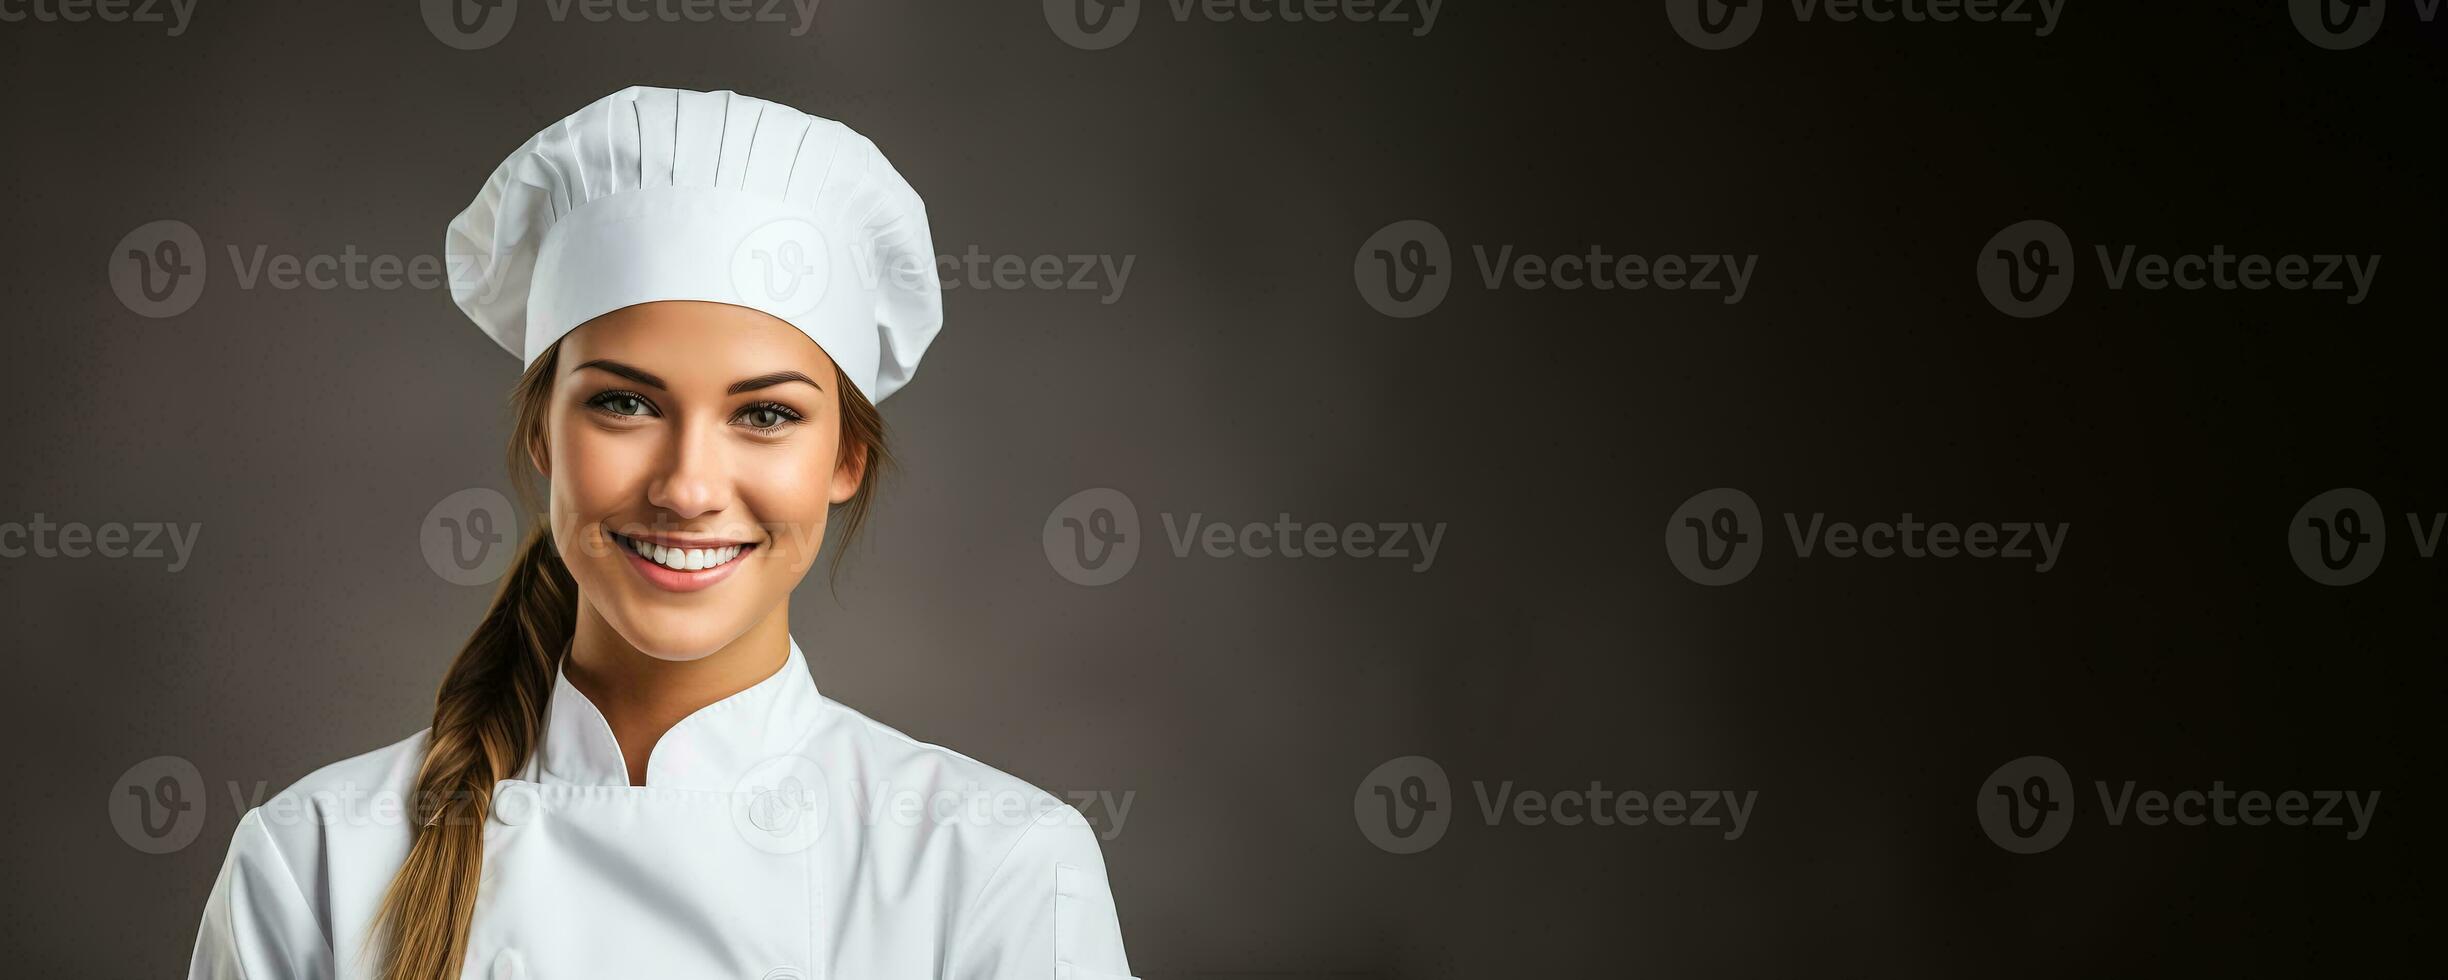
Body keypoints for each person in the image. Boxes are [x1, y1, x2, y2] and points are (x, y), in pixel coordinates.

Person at [186, 86, 1136, 980]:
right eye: (625, 403)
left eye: (764, 415)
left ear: (846, 458)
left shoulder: (1000, 871)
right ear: (542, 435)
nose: (686, 488)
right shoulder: (316, 861)